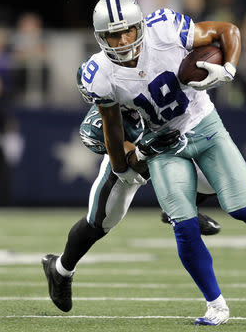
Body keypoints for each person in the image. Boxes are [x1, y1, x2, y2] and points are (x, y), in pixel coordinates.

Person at [41, 61, 222, 313]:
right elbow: (131, 162)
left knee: (218, 179)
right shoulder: (95, 125)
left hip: (169, 150)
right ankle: (60, 269)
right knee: (100, 223)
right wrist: (147, 148)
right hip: (129, 167)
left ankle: (179, 209)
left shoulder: (144, 83)